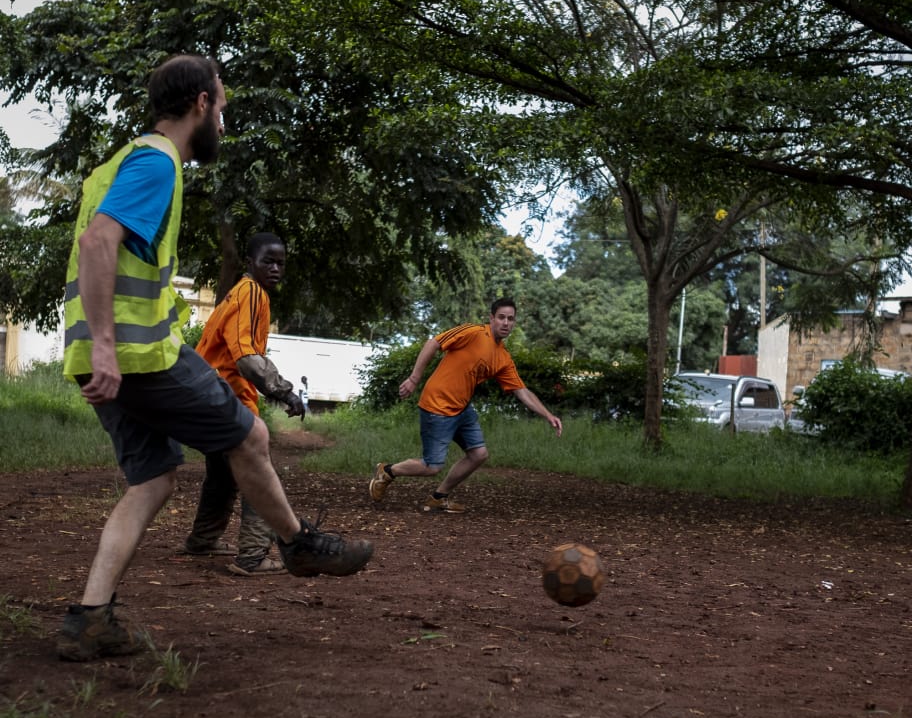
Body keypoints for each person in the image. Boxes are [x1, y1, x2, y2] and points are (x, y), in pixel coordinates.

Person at [58, 54, 372, 662]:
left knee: (152, 480)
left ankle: (90, 617)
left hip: (101, 356)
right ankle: (299, 543)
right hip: (138, 354)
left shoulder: (116, 164)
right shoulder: (157, 162)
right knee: (249, 434)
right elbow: (100, 242)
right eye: (222, 108)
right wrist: (107, 344)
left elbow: (102, 247)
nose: (223, 123)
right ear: (201, 103)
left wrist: (94, 347)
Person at [181, 232, 304, 577]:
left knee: (222, 474)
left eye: (281, 262)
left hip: (207, 392)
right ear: (250, 263)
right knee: (257, 470)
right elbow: (246, 355)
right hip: (226, 395)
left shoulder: (243, 293)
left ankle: (203, 540)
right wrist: (284, 391)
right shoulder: (251, 293)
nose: (276, 268)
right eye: (269, 261)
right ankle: (252, 555)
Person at [368, 297, 562, 513]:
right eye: (501, 318)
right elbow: (434, 342)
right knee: (432, 466)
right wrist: (414, 378)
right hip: (437, 406)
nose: (506, 323)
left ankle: (438, 497)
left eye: (511, 319)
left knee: (479, 454)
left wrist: (548, 415)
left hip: (461, 409)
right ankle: (387, 471)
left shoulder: (503, 358)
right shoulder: (473, 333)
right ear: (491, 318)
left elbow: (521, 390)